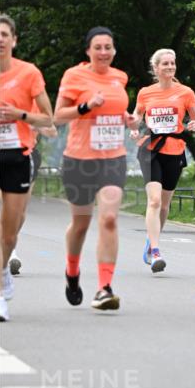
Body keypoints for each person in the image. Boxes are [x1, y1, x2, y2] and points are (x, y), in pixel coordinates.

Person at [54, 27, 138, 311]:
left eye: (109, 47)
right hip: (79, 160)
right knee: (80, 224)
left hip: (113, 158)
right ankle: (72, 271)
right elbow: (58, 116)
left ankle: (104, 287)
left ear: (114, 51)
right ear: (88, 50)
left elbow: (115, 112)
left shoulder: (120, 77)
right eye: (98, 47)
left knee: (110, 219)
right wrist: (86, 106)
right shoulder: (74, 76)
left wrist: (126, 118)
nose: (104, 52)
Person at [0, 14, 54, 321]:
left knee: (10, 231)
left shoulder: (29, 73)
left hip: (17, 155)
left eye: (5, 34)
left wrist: (20, 114)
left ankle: (4, 266)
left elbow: (48, 118)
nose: (0, 39)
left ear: (14, 40)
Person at [130, 48, 195, 273]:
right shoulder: (145, 93)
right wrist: (133, 129)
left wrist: (194, 124)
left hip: (174, 149)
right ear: (156, 68)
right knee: (153, 201)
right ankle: (156, 250)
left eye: (172, 63)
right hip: (150, 149)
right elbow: (136, 117)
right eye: (165, 64)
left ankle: (152, 241)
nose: (170, 67)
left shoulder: (185, 92)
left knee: (164, 204)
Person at [7, 113, 58, 276]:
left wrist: (37, 125)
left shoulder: (34, 101)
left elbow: (52, 130)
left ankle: (10, 247)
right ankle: (9, 252)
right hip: (3, 153)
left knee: (20, 209)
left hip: (27, 154)